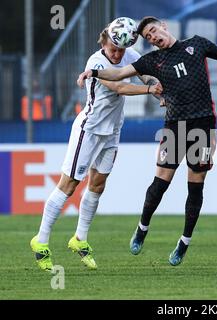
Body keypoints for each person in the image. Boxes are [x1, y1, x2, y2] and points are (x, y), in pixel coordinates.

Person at [77, 16, 217, 266]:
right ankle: (142, 228)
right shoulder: (151, 60)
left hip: (203, 125)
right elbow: (119, 73)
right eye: (148, 37)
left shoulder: (197, 44)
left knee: (196, 185)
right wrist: (92, 71)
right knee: (160, 182)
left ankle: (184, 242)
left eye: (154, 31)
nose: (153, 37)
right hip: (174, 126)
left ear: (164, 27)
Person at [30, 24, 163, 271]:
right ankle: (41, 241)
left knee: (98, 185)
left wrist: (158, 87)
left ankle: (79, 239)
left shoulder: (128, 55)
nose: (118, 55)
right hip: (89, 130)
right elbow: (120, 86)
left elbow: (145, 73)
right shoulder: (97, 62)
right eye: (113, 49)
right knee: (68, 185)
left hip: (112, 132)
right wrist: (149, 89)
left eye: (122, 51)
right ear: (104, 43)